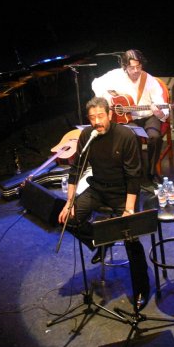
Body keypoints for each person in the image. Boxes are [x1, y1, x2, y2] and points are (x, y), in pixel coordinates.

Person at [57, 97, 150, 310]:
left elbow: (134, 176)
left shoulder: (125, 136)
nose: (97, 121)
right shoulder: (87, 136)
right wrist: (69, 202)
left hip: (122, 193)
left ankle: (142, 289)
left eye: (101, 116)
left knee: (131, 238)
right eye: (92, 118)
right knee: (67, 219)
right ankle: (101, 239)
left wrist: (129, 210)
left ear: (109, 115)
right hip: (97, 189)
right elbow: (76, 169)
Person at [91, 49, 168, 187]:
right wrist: (108, 98)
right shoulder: (116, 75)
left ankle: (152, 172)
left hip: (149, 115)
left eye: (139, 67)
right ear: (125, 66)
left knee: (155, 137)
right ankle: (136, 172)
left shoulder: (149, 80)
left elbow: (161, 103)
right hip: (127, 118)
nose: (136, 70)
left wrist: (160, 113)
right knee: (131, 137)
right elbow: (96, 83)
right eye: (132, 68)